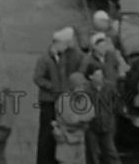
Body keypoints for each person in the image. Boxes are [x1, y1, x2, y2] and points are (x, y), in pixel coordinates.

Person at [34, 27, 83, 164]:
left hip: (62, 100)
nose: (67, 47)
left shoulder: (65, 56)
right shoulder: (44, 59)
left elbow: (81, 59)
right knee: (46, 133)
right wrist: (52, 87)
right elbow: (38, 78)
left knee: (60, 131)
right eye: (65, 44)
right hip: (49, 101)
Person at [53, 72, 93, 164]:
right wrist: (83, 118)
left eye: (84, 85)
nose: (83, 88)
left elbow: (91, 113)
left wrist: (82, 117)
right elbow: (72, 119)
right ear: (74, 86)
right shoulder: (64, 99)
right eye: (81, 86)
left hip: (79, 141)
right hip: (66, 142)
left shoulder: (84, 98)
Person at [84, 64, 120, 164]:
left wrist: (110, 114)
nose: (101, 77)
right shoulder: (85, 90)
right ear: (91, 77)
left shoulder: (110, 87)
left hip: (107, 126)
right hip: (91, 127)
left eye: (101, 74)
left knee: (111, 153)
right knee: (92, 155)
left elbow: (116, 102)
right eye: (98, 75)